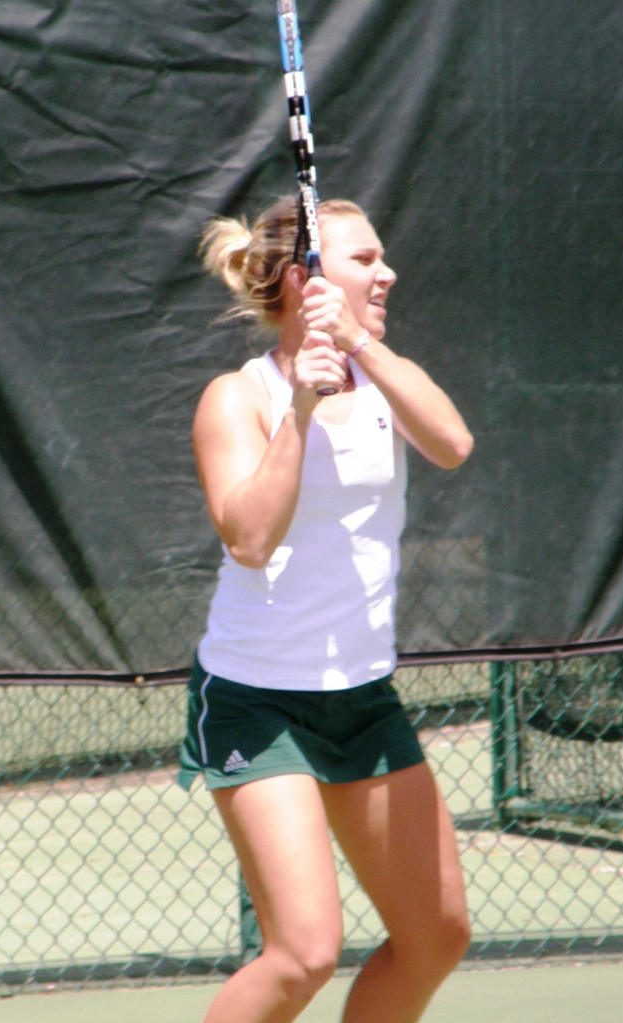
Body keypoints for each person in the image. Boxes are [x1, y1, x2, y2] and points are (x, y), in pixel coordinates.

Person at [178, 194, 474, 1023]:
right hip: (255, 700)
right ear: (305, 279)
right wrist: (303, 405)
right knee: (304, 951)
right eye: (365, 259)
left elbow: (452, 444)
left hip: (361, 695)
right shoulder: (238, 398)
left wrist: (357, 348)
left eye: (381, 257)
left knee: (438, 933)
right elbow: (249, 538)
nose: (387, 272)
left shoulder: (382, 377)